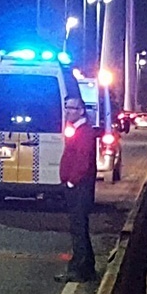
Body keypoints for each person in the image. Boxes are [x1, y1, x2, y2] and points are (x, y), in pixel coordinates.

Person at [55, 96, 99, 283]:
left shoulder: (84, 132)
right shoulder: (78, 130)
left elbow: (83, 160)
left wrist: (71, 182)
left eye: (72, 108)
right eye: (66, 107)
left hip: (79, 187)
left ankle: (80, 270)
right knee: (79, 228)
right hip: (77, 186)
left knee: (78, 229)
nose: (68, 111)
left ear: (81, 111)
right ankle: (86, 267)